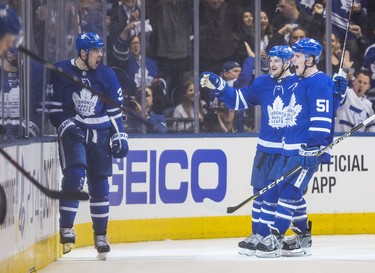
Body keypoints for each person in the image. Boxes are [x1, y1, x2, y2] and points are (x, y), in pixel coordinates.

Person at [200, 45, 297, 255]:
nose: (272, 64)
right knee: (258, 193)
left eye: (277, 60)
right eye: (271, 59)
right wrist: (220, 85)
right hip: (264, 149)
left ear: (288, 62)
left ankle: (273, 236)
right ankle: (257, 235)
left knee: (273, 195)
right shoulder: (262, 83)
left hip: (286, 150)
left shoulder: (299, 84)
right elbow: (237, 100)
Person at [46, 32, 129, 260]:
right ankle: (66, 227)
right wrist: (65, 124)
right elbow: (54, 109)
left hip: (100, 132)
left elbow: (113, 112)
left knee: (100, 183)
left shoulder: (107, 75)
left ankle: (101, 235)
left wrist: (119, 134)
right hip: (74, 129)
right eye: (96, 51)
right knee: (75, 173)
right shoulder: (61, 70)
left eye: (101, 50)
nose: (100, 55)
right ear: (83, 53)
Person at [254, 38, 336, 258]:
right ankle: (303, 234)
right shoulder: (300, 82)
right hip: (288, 148)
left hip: (306, 150)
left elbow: (322, 119)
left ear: (309, 59)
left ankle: (276, 236)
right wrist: (337, 94)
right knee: (285, 190)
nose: (293, 61)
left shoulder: (319, 82)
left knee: (289, 191)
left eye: (297, 57)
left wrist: (314, 147)